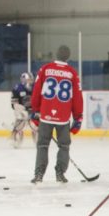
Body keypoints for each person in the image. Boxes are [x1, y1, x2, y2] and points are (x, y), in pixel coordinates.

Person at [30, 45, 83, 184]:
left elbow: (36, 92)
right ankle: (60, 173)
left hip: (46, 115)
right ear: (68, 57)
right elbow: (77, 97)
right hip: (63, 117)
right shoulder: (72, 73)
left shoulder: (45, 69)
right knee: (64, 146)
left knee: (42, 145)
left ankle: (39, 174)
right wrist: (78, 117)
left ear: (56, 54)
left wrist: (35, 110)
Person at [9, 72, 37, 147]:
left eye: (31, 80)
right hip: (23, 109)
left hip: (34, 109)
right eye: (29, 80)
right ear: (23, 80)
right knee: (19, 119)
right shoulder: (17, 88)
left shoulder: (36, 87)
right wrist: (21, 110)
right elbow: (13, 104)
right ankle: (16, 133)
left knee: (36, 125)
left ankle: (37, 135)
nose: (31, 82)